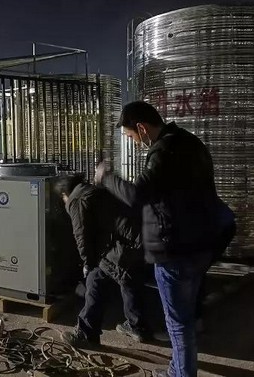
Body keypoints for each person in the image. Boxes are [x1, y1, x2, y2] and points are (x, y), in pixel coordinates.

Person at [95, 101, 224, 377]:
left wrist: (106, 178)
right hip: (202, 243)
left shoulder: (163, 151)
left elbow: (137, 196)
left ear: (142, 128)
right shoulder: (191, 142)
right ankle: (177, 369)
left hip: (176, 249)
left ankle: (180, 374)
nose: (135, 141)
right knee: (186, 316)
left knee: (177, 322)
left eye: (132, 136)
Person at [55, 173, 149, 347]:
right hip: (140, 239)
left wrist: (87, 263)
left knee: (96, 277)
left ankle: (86, 332)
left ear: (64, 194)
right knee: (129, 279)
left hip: (125, 243)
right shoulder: (93, 191)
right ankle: (138, 326)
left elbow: (81, 235)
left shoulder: (76, 199)